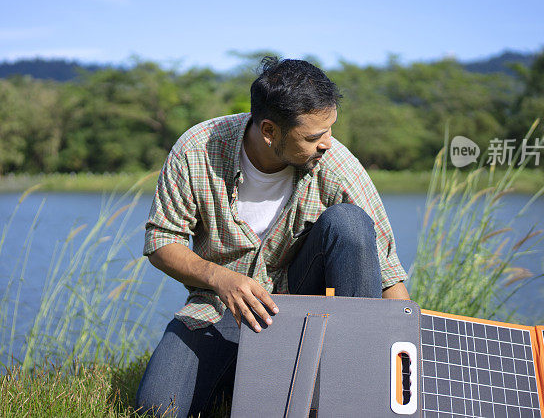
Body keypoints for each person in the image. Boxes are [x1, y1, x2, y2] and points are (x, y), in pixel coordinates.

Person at [135, 57, 410, 417]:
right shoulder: (196, 150)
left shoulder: (337, 165)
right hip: (219, 310)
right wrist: (221, 279)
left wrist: (405, 370)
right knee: (157, 410)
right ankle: (246, 378)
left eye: (330, 129)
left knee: (350, 223)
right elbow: (161, 241)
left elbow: (387, 275)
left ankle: (353, 383)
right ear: (270, 131)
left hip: (303, 309)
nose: (328, 143)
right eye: (314, 136)